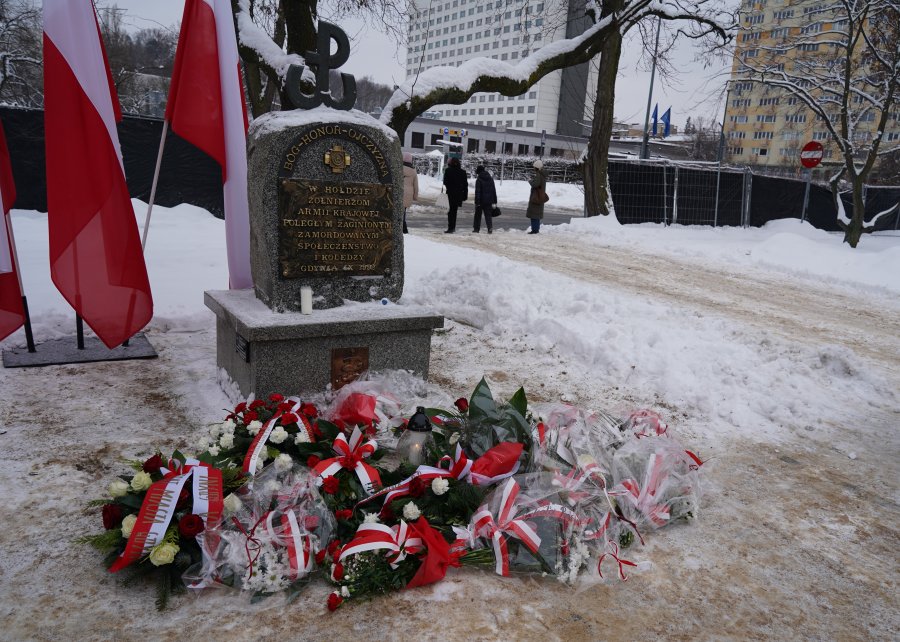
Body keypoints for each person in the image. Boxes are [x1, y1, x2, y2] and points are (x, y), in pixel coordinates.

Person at [442, 157, 468, 233]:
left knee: (450, 211)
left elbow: (445, 182)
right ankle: (452, 227)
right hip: (458, 195)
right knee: (454, 211)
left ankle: (450, 227)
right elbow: (465, 185)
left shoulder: (448, 171)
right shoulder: (463, 172)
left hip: (450, 194)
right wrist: (464, 195)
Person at [472, 165, 497, 234]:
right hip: (489, 200)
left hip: (481, 200)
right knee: (488, 215)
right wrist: (494, 200)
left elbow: (478, 191)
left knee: (477, 215)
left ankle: (476, 229)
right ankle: (490, 228)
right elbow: (493, 190)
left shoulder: (479, 179)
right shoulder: (490, 178)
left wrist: (477, 201)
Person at [526, 159, 547, 234]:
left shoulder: (539, 174)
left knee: (534, 215)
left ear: (537, 167)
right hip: (540, 196)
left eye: (534, 167)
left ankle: (534, 230)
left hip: (536, 197)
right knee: (537, 215)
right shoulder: (542, 175)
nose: (533, 168)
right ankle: (536, 229)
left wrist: (530, 181)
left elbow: (535, 184)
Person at [402, 152, 418, 234]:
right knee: (403, 211)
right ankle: (403, 227)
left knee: (397, 210)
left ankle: (402, 227)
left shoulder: (398, 169)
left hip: (400, 191)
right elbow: (416, 185)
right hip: (408, 193)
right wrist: (415, 196)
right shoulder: (413, 171)